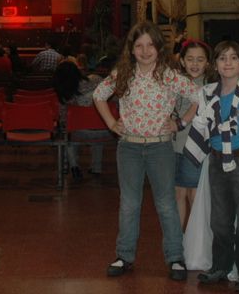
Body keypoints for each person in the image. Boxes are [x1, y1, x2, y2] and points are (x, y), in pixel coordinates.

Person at [93, 21, 199, 282]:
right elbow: (98, 95)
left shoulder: (169, 75)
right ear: (131, 49)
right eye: (139, 46)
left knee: (166, 204)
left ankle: (175, 257)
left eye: (150, 45)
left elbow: (198, 97)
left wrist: (180, 122)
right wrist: (111, 123)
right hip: (129, 147)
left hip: (160, 147)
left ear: (159, 48)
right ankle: (124, 255)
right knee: (129, 204)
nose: (145, 51)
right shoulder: (123, 73)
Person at [187, 41, 239, 293]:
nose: (228, 63)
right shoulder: (209, 94)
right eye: (222, 58)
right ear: (215, 65)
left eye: (234, 58)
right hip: (216, 160)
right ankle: (220, 265)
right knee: (219, 218)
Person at [172, 40, 212, 231]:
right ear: (182, 61)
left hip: (195, 148)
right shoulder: (175, 83)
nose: (195, 64)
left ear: (207, 63)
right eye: (190, 59)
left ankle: (196, 239)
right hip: (173, 147)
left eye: (200, 59)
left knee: (194, 195)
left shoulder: (209, 86)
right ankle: (178, 239)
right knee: (178, 193)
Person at [53, 60, 103, 179]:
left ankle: (74, 165)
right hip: (103, 131)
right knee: (96, 124)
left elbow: (64, 119)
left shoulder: (65, 95)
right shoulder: (96, 80)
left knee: (70, 131)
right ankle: (96, 167)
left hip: (78, 132)